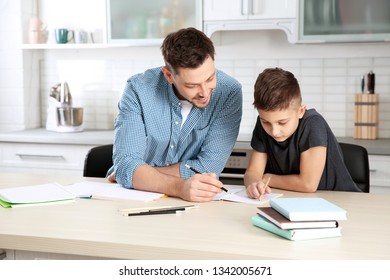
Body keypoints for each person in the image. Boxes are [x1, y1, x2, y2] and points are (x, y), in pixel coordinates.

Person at [108, 27, 242, 202]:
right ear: (169, 75)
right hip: (136, 199)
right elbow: (126, 165)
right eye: (192, 85)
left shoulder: (229, 92)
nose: (204, 93)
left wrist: (138, 174)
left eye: (210, 78)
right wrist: (179, 186)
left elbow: (210, 167)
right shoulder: (138, 90)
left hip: (193, 206)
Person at [244, 67, 360, 199]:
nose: (274, 131)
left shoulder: (313, 124)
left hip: (342, 200)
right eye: (266, 122)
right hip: (297, 200)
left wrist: (267, 178)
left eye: (282, 122)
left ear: (301, 111)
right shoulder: (262, 124)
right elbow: (252, 172)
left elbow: (308, 184)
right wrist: (254, 183)